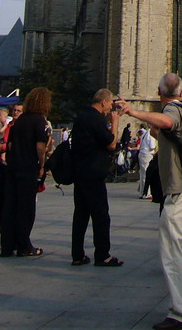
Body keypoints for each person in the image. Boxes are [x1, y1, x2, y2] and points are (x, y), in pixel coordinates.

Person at [120, 73, 182, 330]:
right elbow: (173, 135)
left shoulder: (173, 109)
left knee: (172, 252)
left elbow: (168, 121)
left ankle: (180, 312)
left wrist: (133, 112)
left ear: (160, 94)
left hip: (179, 191)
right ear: (181, 91)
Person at [70, 87, 122, 267]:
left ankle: (77, 255)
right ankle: (103, 255)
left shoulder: (82, 117)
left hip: (80, 173)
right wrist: (115, 122)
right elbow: (111, 144)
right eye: (109, 104)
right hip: (94, 174)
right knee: (101, 215)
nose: (110, 109)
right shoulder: (96, 118)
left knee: (81, 215)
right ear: (104, 102)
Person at [1, 87, 51, 258]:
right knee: (26, 208)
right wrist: (42, 165)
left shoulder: (20, 120)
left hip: (13, 166)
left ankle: (7, 246)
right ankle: (24, 246)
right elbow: (40, 146)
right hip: (28, 168)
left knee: (10, 207)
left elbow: (10, 145)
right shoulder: (40, 121)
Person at [138, 124, 157, 199]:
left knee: (142, 174)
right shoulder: (151, 134)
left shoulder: (144, 133)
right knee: (147, 173)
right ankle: (147, 193)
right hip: (147, 155)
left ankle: (142, 192)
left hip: (142, 154)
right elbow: (152, 147)